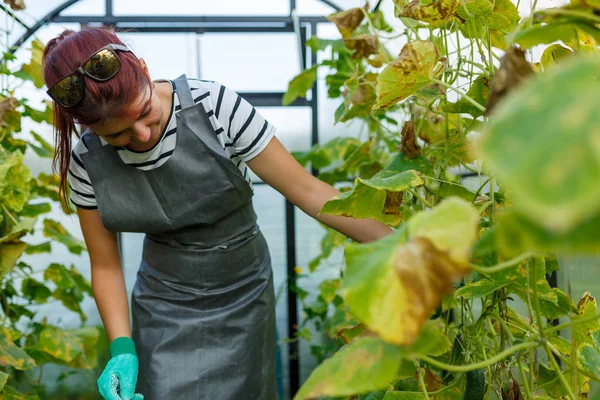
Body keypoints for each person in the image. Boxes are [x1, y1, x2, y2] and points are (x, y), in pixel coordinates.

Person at [42, 26, 392, 400]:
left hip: (244, 290)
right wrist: (122, 349)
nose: (142, 136)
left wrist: (405, 245)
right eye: (119, 136)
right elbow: (107, 265)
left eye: (146, 113)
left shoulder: (214, 106)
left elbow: (308, 191)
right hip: (164, 303)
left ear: (144, 69)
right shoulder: (86, 163)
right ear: (89, 128)